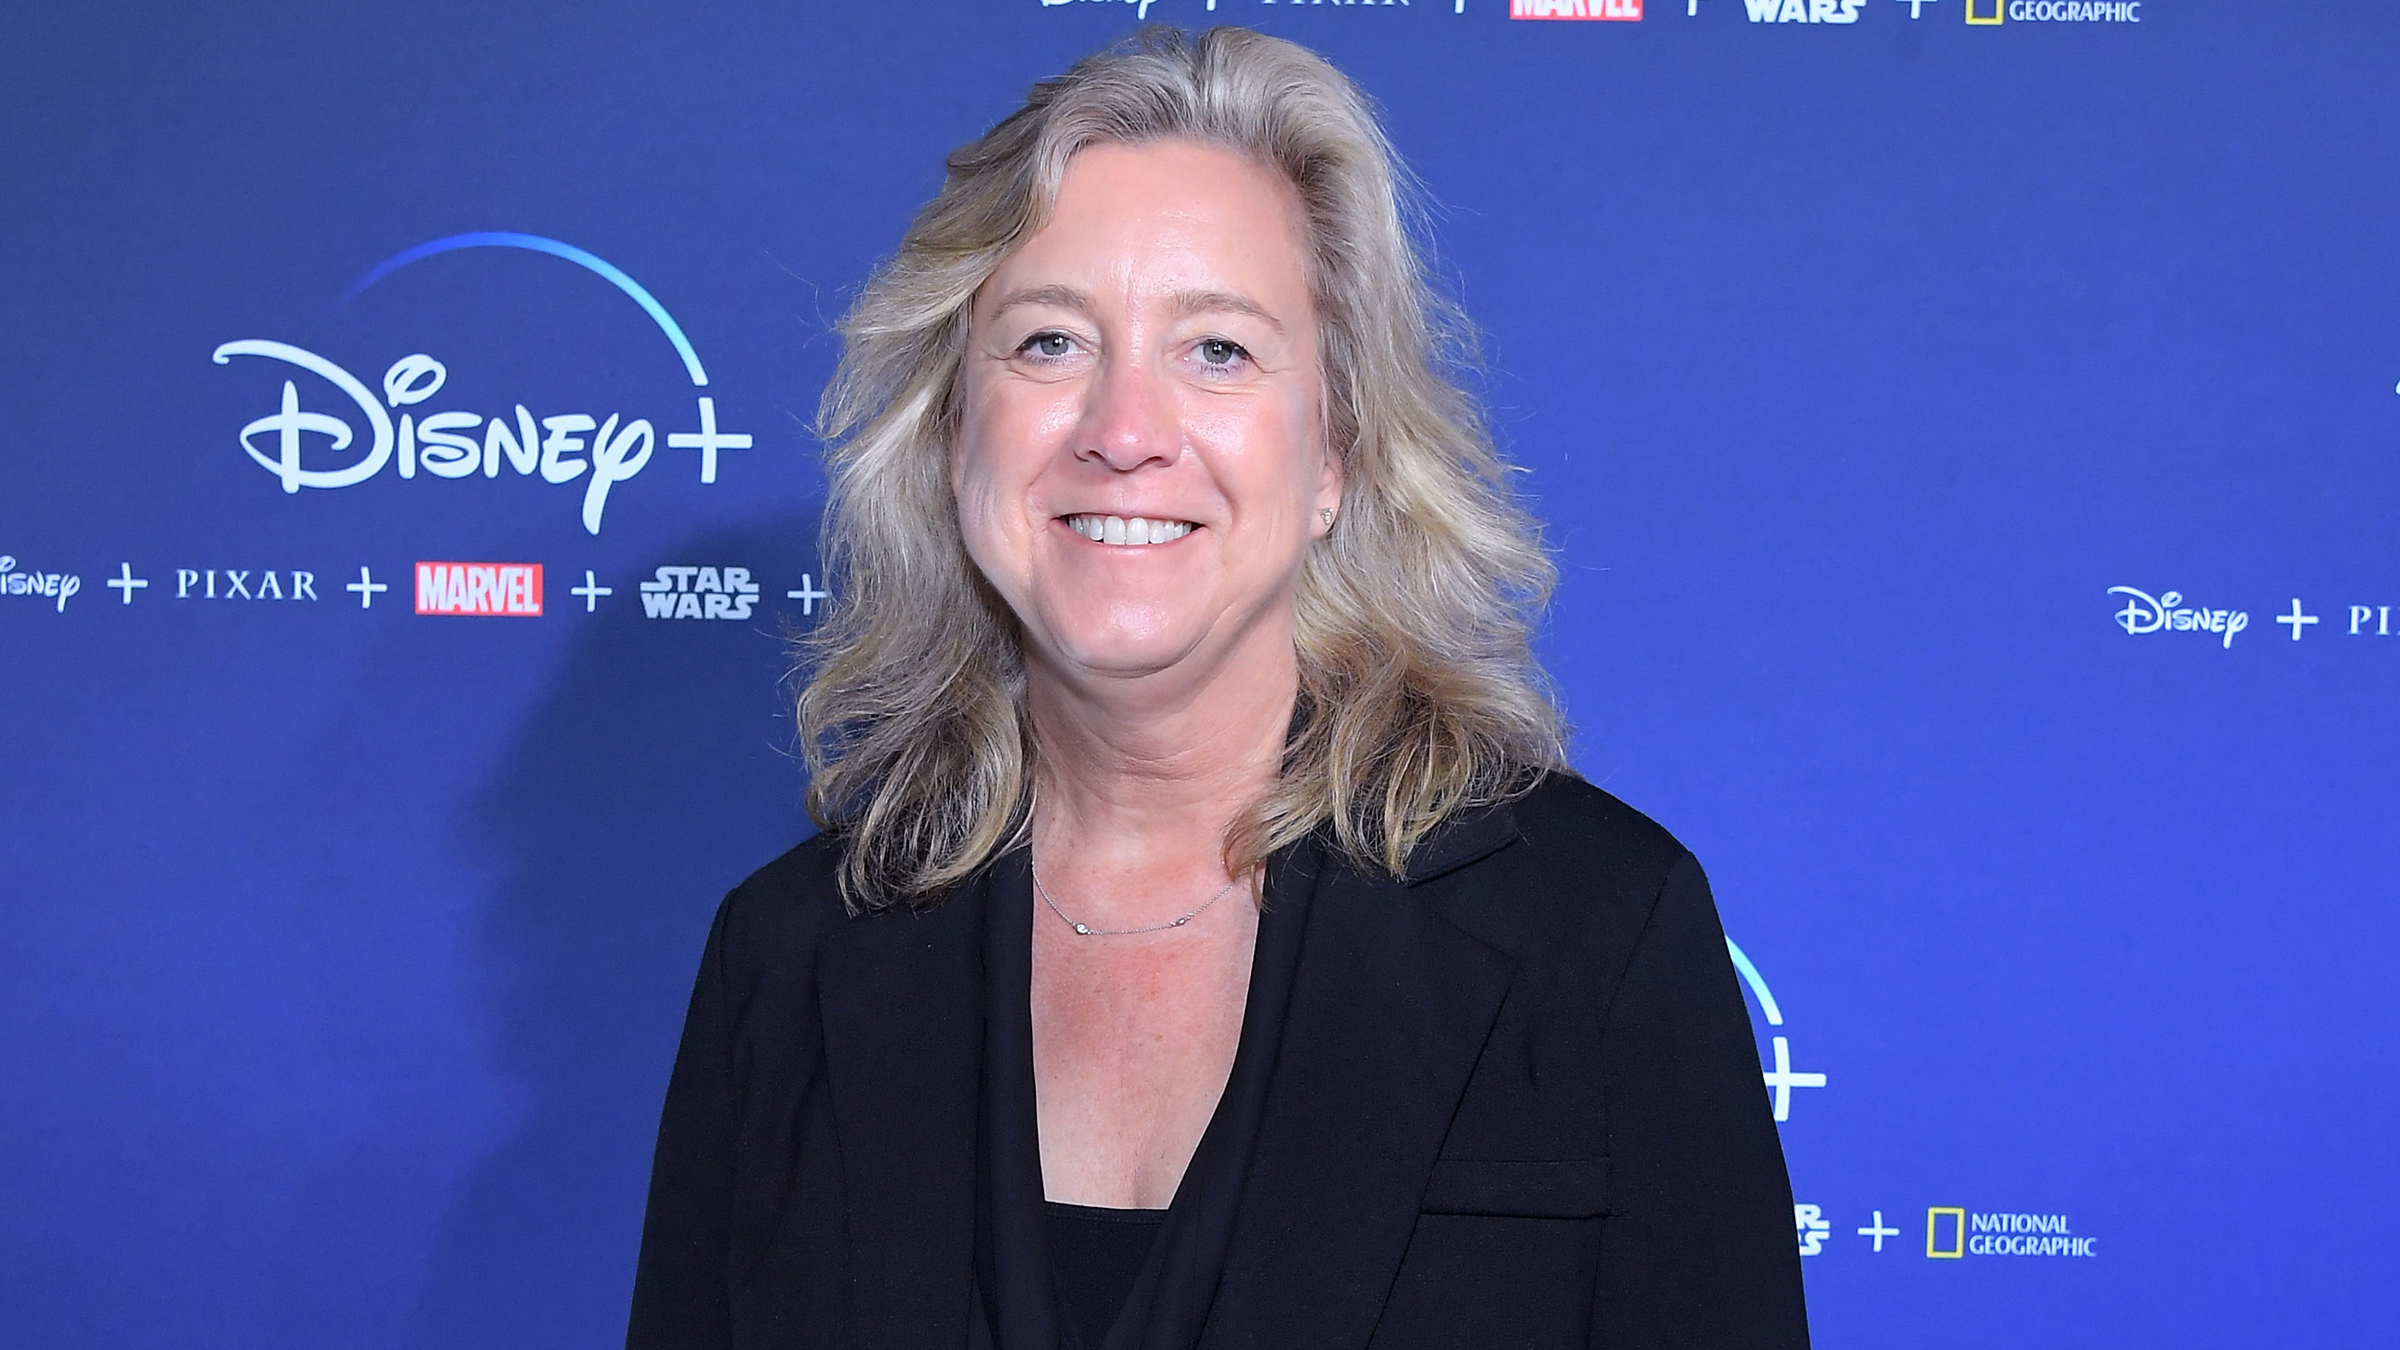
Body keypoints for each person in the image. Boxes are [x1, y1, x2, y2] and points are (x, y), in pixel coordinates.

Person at [627, 26, 1807, 1350]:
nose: (1124, 431)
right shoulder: (787, 956)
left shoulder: (1598, 934)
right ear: (955, 434)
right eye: (1050, 342)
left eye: (1219, 351)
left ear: (1335, 454)